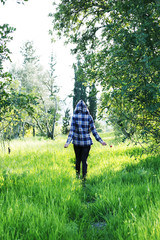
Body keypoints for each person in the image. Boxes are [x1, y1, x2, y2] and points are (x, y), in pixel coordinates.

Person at [64, 100, 106, 180]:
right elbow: (94, 130)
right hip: (87, 143)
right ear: (85, 108)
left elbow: (72, 131)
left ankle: (77, 176)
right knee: (84, 160)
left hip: (76, 142)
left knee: (78, 159)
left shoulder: (74, 117)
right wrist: (101, 141)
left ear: (77, 107)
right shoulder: (89, 117)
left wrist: (68, 142)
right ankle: (84, 178)